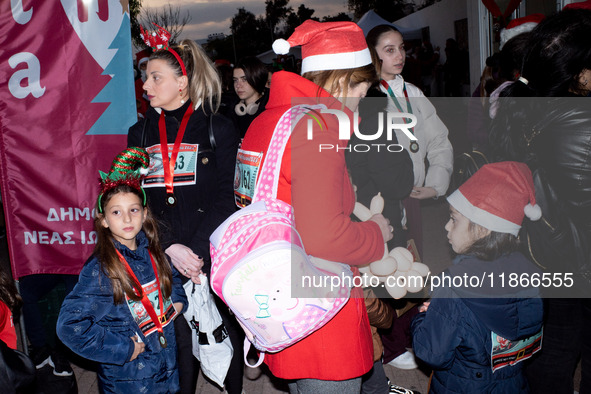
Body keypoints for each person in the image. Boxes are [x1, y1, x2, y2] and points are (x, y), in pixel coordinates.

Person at [240, 20, 392, 393]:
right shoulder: (317, 128)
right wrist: (376, 234)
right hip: (321, 312)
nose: (360, 99)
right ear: (340, 81)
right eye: (360, 87)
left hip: (280, 296)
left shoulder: (265, 121)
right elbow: (325, 236)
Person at [127, 25, 242, 394]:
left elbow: (231, 196)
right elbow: (134, 201)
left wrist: (197, 249)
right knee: (178, 347)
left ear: (183, 83)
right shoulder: (139, 135)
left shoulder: (218, 129)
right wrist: (172, 246)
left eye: (155, 77)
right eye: (145, 78)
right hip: (164, 255)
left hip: (212, 253)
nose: (145, 86)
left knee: (224, 337)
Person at [488, 7, 591, 393]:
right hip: (574, 260)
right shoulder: (578, 123)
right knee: (562, 349)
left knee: (553, 343)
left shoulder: (529, 105)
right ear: (578, 74)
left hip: (546, 251)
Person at [57, 148, 187, 393]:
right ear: (103, 220)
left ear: (145, 213)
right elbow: (69, 326)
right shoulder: (102, 269)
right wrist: (124, 349)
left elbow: (174, 284)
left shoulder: (155, 252)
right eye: (116, 212)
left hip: (167, 371)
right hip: (128, 380)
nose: (127, 219)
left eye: (134, 210)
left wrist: (176, 305)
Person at [364, 24, 453, 371]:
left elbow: (439, 141)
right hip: (377, 199)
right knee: (381, 269)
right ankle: (389, 344)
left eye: (401, 48)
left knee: (412, 266)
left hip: (411, 197)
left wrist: (435, 182)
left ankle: (409, 335)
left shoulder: (413, 91)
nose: (399, 55)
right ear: (373, 55)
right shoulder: (364, 94)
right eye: (389, 50)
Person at [412, 161, 544, 393]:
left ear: (483, 229)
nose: (445, 227)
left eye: (454, 219)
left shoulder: (453, 287)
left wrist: (423, 317)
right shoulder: (531, 274)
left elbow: (432, 352)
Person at [230, 56, 270, 139]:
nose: (238, 85)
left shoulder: (270, 109)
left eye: (244, 79)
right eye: (235, 80)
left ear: (257, 79)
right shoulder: (231, 111)